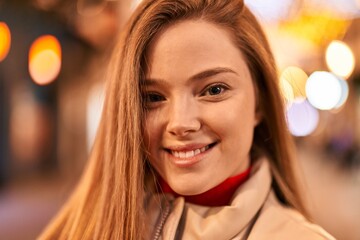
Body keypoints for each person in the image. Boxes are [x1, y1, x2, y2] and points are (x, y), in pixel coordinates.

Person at [40, 0, 335, 239]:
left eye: (213, 90)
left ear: (259, 101)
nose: (180, 123)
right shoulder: (78, 231)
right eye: (153, 98)